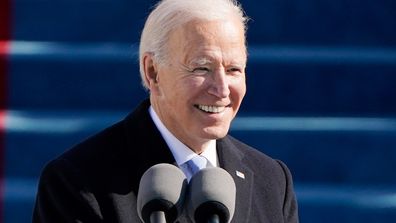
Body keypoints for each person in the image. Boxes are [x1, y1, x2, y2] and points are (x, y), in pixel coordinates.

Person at [33, 0, 299, 222]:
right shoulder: (77, 182)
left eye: (233, 70)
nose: (221, 89)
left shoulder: (272, 180)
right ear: (153, 72)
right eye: (201, 68)